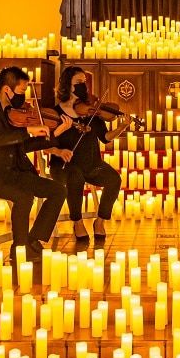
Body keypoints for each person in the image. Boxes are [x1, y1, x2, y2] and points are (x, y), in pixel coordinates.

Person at [0, 66, 74, 260]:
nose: (24, 96)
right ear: (7, 90)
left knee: (58, 190)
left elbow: (24, 146)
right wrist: (27, 131)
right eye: (21, 91)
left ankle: (32, 240)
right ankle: (19, 249)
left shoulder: (13, 112)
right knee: (24, 196)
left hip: (14, 174)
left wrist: (55, 134)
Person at [49, 66, 128, 241]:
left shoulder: (92, 110)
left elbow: (105, 137)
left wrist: (121, 128)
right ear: (66, 85)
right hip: (64, 166)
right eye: (78, 82)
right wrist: (60, 148)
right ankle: (77, 222)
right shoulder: (55, 113)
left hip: (92, 164)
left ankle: (100, 221)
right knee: (75, 176)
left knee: (114, 180)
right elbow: (47, 143)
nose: (83, 86)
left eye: (84, 82)